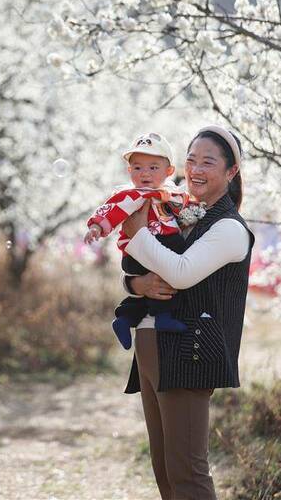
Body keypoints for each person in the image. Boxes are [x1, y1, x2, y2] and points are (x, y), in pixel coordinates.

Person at [119, 125, 255, 500]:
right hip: (150, 343)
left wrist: (134, 229)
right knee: (164, 469)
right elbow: (139, 269)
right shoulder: (180, 213)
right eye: (191, 159)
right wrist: (136, 286)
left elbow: (180, 273)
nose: (195, 169)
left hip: (189, 353)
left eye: (208, 162)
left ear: (231, 172)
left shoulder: (229, 228)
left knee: (188, 473)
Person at [83, 132, 206, 349]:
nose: (145, 174)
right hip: (136, 253)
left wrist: (195, 213)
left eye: (153, 167)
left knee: (149, 289)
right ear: (129, 171)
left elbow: (185, 207)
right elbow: (111, 210)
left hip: (151, 249)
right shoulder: (131, 195)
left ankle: (125, 319)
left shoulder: (171, 193)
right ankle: (164, 316)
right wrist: (96, 226)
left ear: (169, 171)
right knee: (172, 260)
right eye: (138, 168)